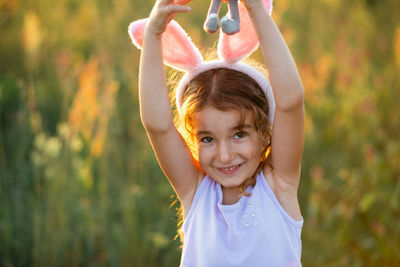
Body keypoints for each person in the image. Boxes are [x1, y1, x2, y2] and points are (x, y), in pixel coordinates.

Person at [132, 0, 304, 265]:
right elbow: (157, 125)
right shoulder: (196, 192)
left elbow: (291, 102)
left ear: (266, 134)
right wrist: (154, 34)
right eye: (208, 139)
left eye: (239, 134)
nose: (224, 155)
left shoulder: (278, 186)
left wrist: (255, 10)